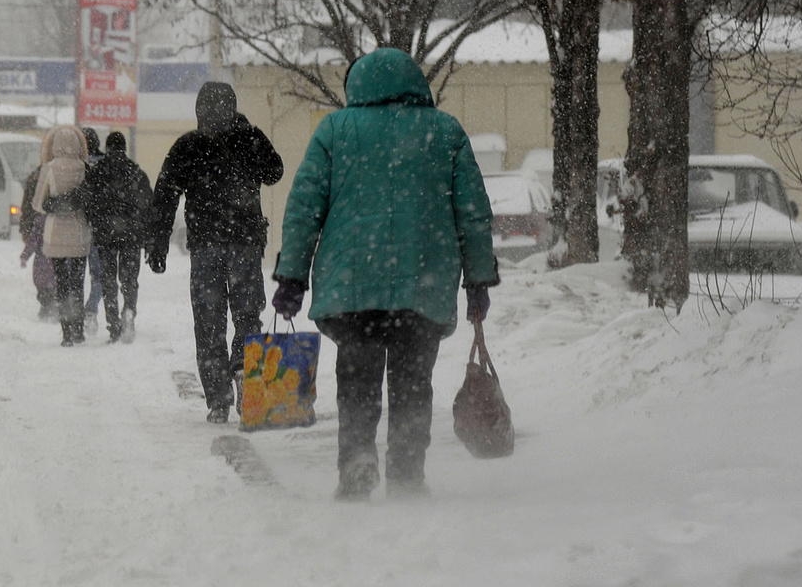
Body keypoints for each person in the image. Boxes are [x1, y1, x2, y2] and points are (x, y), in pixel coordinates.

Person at [271, 48, 500, 501]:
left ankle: (357, 459)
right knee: (414, 382)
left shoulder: (335, 131)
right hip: (422, 284)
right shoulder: (445, 131)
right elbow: (472, 213)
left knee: (357, 377)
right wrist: (477, 279)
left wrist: (292, 276)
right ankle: (407, 472)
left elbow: (304, 208)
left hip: (353, 285)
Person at [149, 82, 284, 424]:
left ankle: (218, 401)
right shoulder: (249, 136)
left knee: (209, 321)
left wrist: (159, 243)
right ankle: (244, 369)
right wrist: (248, 134)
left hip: (206, 245)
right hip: (246, 244)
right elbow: (274, 171)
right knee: (248, 314)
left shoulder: (189, 145)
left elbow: (165, 195)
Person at [31, 125, 95, 346]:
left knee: (62, 282)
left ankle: (67, 331)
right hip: (79, 233)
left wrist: (55, 203)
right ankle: (78, 327)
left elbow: (38, 204)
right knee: (78, 282)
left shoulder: (49, 168)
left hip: (55, 234)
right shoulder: (85, 168)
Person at [87, 131, 153, 343]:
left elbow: (89, 203)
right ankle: (130, 310)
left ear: (107, 148)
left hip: (105, 235)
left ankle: (114, 324)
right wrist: (147, 233)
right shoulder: (136, 172)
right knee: (129, 278)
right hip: (132, 234)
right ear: (124, 148)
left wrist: (97, 223)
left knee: (108, 280)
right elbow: (147, 205)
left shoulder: (98, 172)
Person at [19, 163, 57, 320]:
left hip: (41, 262)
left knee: (42, 287)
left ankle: (45, 306)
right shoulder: (57, 220)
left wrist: (25, 255)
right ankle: (52, 306)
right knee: (53, 285)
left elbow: (33, 240)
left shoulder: (40, 219)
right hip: (54, 260)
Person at [81, 127, 106, 335]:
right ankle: (91, 307)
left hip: (79, 227)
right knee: (99, 276)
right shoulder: (106, 165)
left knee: (76, 273)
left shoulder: (77, 166)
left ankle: (73, 312)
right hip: (102, 229)